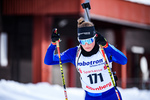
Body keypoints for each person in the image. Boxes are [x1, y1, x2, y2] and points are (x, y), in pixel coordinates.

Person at [44, 17, 127, 100]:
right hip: (91, 97)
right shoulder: (74, 53)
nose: (86, 45)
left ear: (95, 38)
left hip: (110, 94)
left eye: (90, 40)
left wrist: (107, 45)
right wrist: (53, 44)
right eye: (82, 41)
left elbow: (123, 60)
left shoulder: (104, 48)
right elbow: (49, 61)